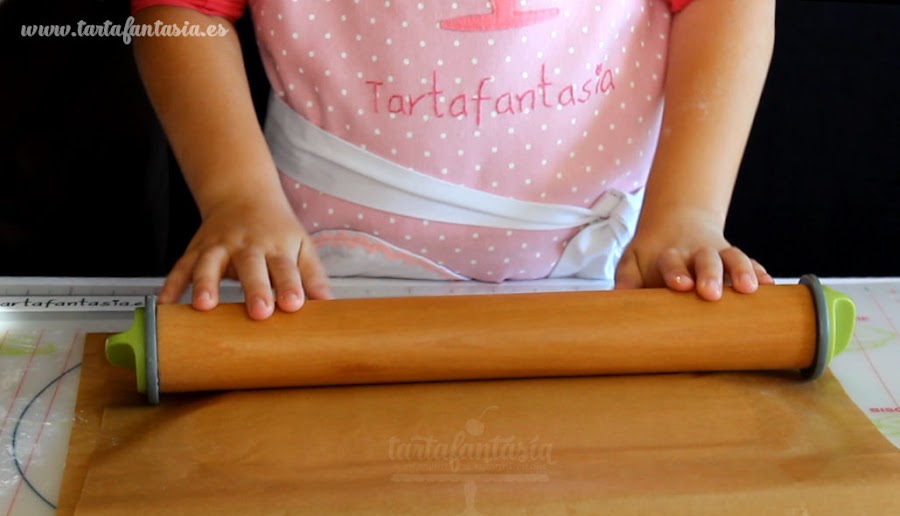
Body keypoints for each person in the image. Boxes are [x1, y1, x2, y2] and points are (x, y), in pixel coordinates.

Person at [130, 0, 776, 320]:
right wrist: (238, 196)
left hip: (614, 272)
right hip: (313, 276)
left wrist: (687, 213)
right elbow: (179, 11)